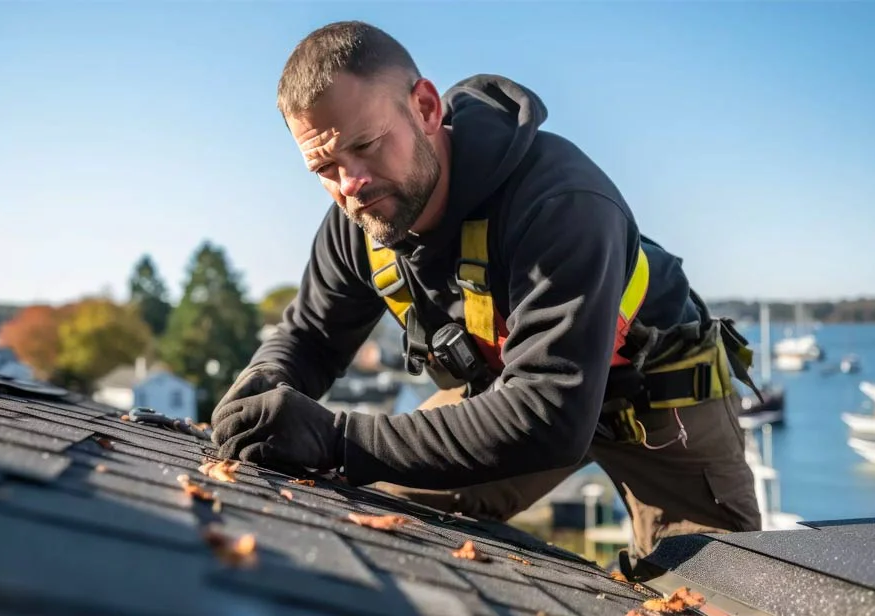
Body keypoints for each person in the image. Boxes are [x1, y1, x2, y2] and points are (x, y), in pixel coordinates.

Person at [210, 20, 763, 575]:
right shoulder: (360, 222)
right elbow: (311, 335)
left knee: (718, 591)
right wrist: (259, 388)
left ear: (426, 108)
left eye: (365, 145)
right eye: (324, 167)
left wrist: (337, 438)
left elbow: (549, 414)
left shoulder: (561, 200)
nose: (350, 184)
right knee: (376, 511)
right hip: (510, 391)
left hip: (657, 397)